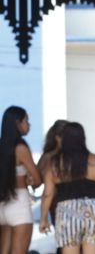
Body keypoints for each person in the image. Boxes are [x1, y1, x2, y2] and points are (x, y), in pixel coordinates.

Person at [39, 122, 95, 254]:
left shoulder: (55, 165)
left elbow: (48, 194)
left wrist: (43, 219)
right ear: (83, 138)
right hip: (93, 211)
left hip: (67, 212)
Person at [0, 106, 42, 254]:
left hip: (3, 206)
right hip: (19, 203)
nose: (29, 125)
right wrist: (29, 180)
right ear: (17, 123)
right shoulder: (21, 148)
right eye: (26, 121)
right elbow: (37, 179)